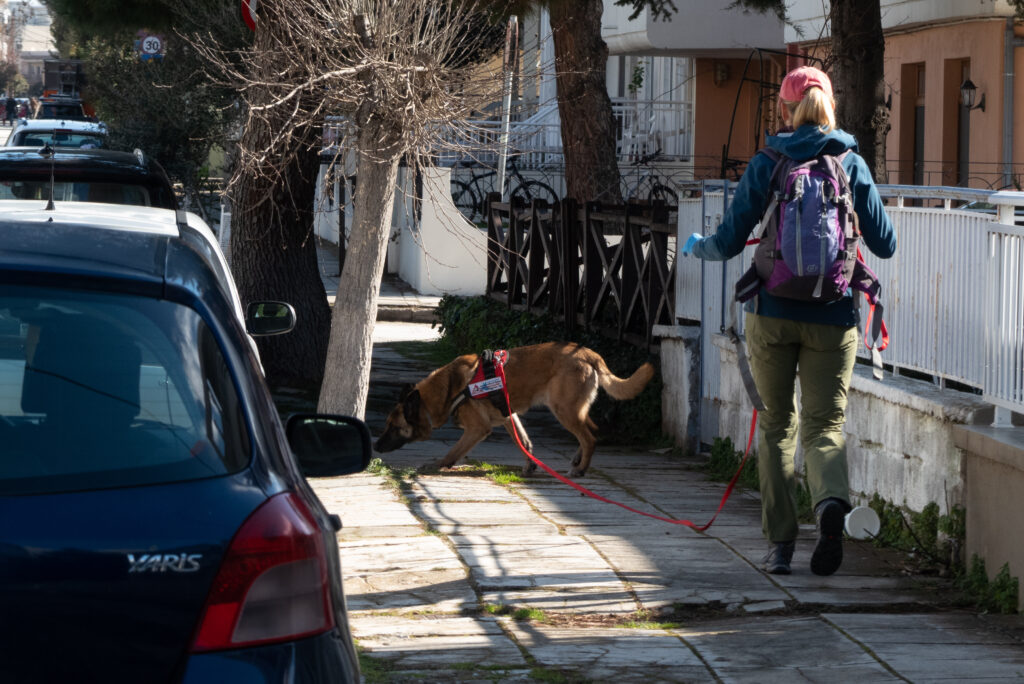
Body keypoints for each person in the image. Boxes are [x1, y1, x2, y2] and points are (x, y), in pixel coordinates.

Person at [682, 66, 896, 576]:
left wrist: (697, 247)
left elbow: (730, 240)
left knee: (777, 426)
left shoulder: (769, 161)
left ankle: (780, 546)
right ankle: (828, 509)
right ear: (830, 108)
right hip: (834, 316)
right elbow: (886, 243)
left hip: (773, 314)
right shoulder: (851, 161)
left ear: (783, 109)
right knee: (825, 426)